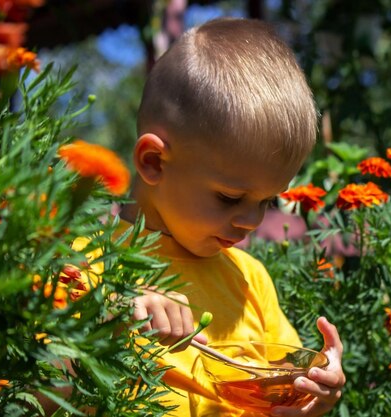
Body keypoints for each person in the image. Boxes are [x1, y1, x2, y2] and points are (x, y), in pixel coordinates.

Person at [117, 17, 346, 417]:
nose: (251, 221)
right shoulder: (86, 269)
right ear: (153, 161)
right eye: (229, 198)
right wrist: (109, 320)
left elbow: (275, 389)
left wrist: (311, 392)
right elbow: (33, 394)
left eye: (267, 202)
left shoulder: (249, 280)